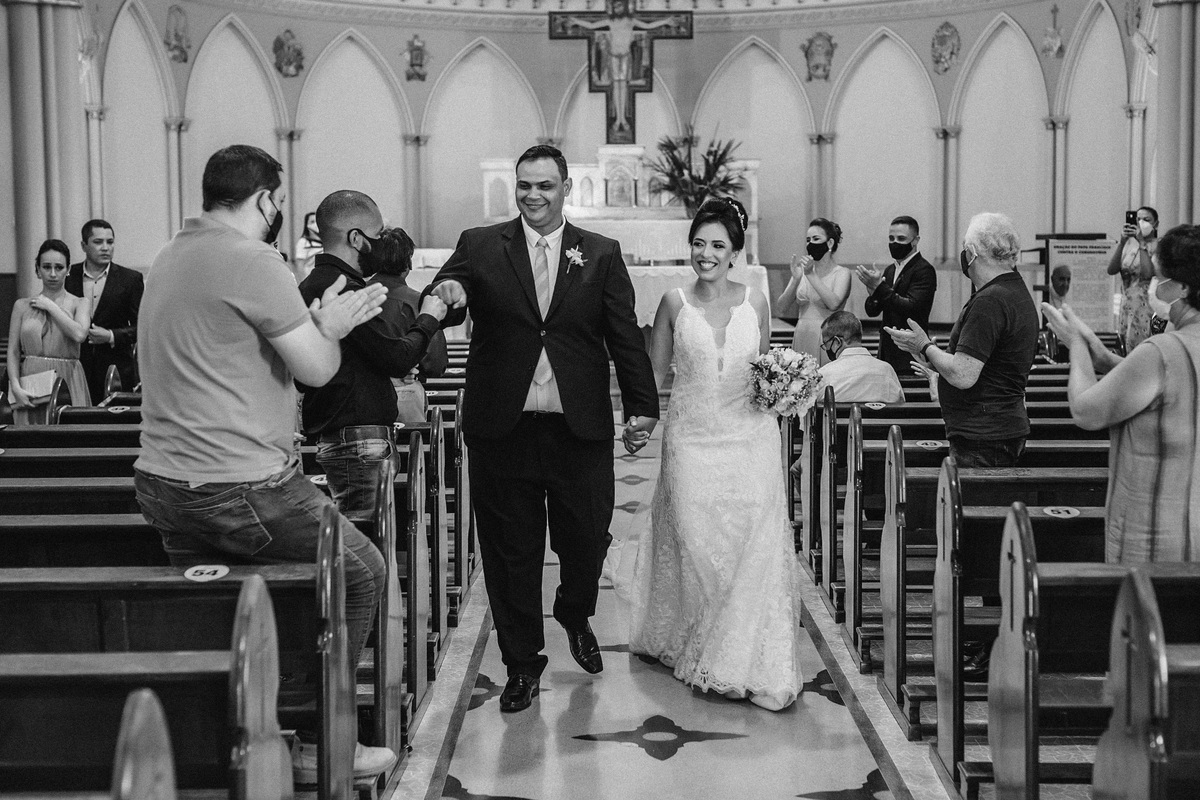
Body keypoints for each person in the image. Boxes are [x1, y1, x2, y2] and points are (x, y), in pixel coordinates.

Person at [130, 145, 396, 783]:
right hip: (239, 483)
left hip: (163, 480)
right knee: (360, 572)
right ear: (263, 199)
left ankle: (231, 739)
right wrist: (326, 325)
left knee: (233, 607)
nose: (278, 211)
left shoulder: (169, 257)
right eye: (275, 200)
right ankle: (317, 743)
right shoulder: (254, 261)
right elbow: (318, 370)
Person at [426, 144, 659, 713]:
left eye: (546, 186)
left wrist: (642, 405)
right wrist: (447, 296)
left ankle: (575, 608)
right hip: (502, 428)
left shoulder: (599, 253)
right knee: (511, 553)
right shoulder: (480, 245)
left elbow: (624, 335)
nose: (534, 195)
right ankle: (522, 664)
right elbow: (447, 290)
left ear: (566, 190)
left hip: (577, 426)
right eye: (525, 185)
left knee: (587, 535)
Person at [628, 197, 803, 711]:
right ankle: (698, 634)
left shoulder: (757, 302)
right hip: (691, 440)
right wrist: (639, 421)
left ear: (734, 252)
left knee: (754, 547)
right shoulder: (672, 303)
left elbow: (763, 372)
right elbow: (654, 376)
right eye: (699, 243)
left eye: (718, 245)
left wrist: (786, 391)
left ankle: (750, 661)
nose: (706, 253)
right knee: (700, 544)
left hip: (751, 441)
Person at [1043, 223, 1200, 563]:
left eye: (1160, 277)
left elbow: (1086, 411)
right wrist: (1102, 355)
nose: (1153, 286)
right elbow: (1166, 390)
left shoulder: (1162, 350)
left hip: (1157, 544)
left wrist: (1077, 348)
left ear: (1184, 287)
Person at [297, 191, 446, 521]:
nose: (381, 243)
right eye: (377, 236)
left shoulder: (313, 283)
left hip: (343, 434)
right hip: (357, 440)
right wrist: (429, 317)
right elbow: (396, 358)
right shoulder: (342, 289)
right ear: (356, 238)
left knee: (369, 542)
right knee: (367, 550)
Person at [885, 212, 1038, 468]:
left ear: (971, 252)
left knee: (970, 505)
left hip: (982, 435)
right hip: (999, 427)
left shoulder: (990, 300)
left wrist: (924, 345)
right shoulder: (1014, 291)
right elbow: (988, 362)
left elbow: (963, 375)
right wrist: (934, 360)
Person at [366, 226, 450, 425]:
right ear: (408, 263)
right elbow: (435, 364)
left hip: (361, 396)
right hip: (405, 392)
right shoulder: (419, 303)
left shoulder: (354, 296)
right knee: (411, 449)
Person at [6, 239, 91, 424]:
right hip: (31, 379)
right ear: (37, 270)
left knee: (69, 438)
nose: (53, 274)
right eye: (46, 267)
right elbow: (13, 351)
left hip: (68, 377)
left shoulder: (80, 303)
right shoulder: (21, 306)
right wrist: (15, 386)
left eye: (59, 267)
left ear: (68, 270)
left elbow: (79, 334)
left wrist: (51, 307)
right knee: (31, 441)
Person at [66, 219, 144, 402]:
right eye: (98, 242)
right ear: (84, 246)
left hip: (115, 367)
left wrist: (110, 335)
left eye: (110, 242)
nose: (105, 248)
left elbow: (142, 326)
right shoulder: (68, 276)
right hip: (76, 366)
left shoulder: (130, 279)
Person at [858, 215, 937, 375]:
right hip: (887, 349)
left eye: (901, 238)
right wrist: (873, 292)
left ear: (915, 240)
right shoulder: (890, 270)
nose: (895, 243)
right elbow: (872, 311)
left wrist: (879, 287)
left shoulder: (924, 270)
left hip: (910, 351)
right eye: (891, 238)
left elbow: (911, 307)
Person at [775, 217, 851, 364]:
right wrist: (796, 280)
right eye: (808, 240)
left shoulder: (842, 273)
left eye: (816, 239)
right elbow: (781, 308)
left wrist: (811, 274)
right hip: (802, 334)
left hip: (828, 338)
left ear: (829, 243)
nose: (810, 244)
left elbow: (834, 303)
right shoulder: (803, 270)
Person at [819, 311, 904, 404]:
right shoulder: (887, 370)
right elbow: (900, 403)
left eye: (826, 344)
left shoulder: (824, 374)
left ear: (837, 342)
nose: (826, 349)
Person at [1107, 205, 1158, 352]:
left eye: (1146, 219)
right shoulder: (1129, 245)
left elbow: (1148, 274)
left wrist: (1142, 243)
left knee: (1142, 348)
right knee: (1124, 346)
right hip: (1127, 304)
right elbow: (1111, 270)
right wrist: (1122, 242)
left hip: (1146, 305)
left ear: (1155, 224)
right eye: (1138, 219)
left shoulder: (1158, 246)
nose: (1141, 223)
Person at [294, 211, 322, 282]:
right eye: (312, 222)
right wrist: (303, 281)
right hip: (309, 280)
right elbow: (299, 265)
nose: (315, 224)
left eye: (317, 221)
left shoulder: (327, 241)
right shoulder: (303, 242)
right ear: (307, 225)